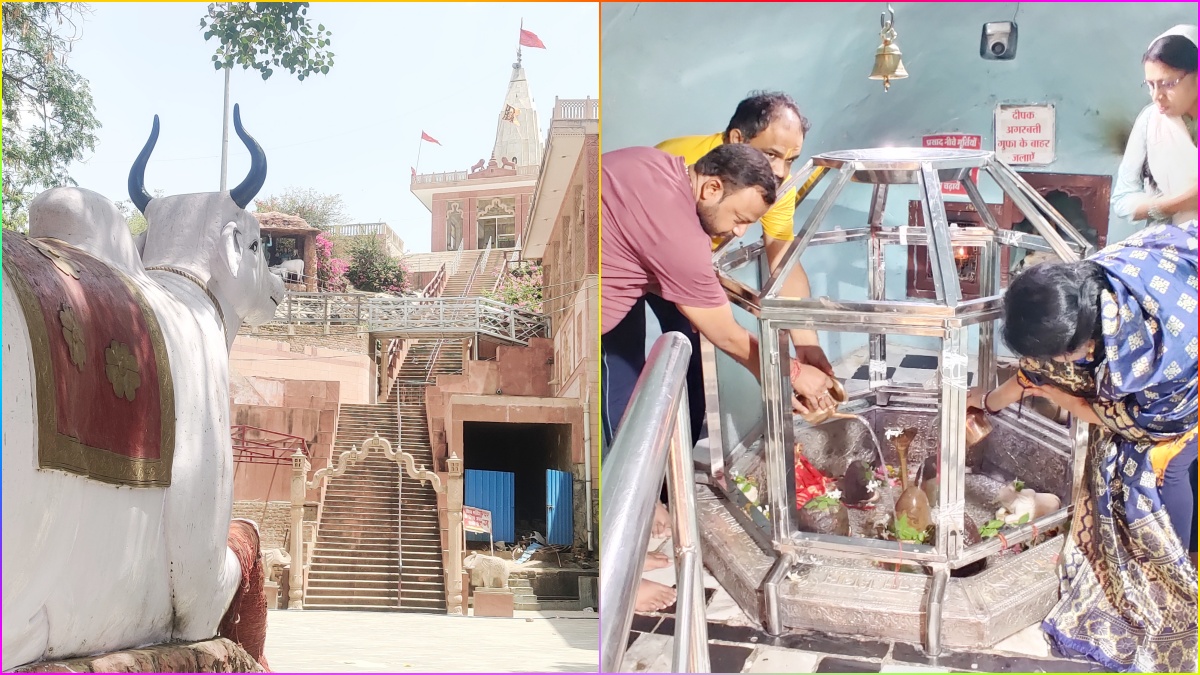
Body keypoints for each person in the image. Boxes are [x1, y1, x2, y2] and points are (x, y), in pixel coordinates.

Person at [602, 142, 835, 613]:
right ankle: (615, 583)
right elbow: (728, 337)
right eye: (739, 217)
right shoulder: (681, 238)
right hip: (585, 329)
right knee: (608, 443)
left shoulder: (655, 163)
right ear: (711, 187)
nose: (740, 231)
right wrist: (790, 374)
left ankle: (620, 547)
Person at [967, 220, 1198, 672]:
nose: (1055, 365)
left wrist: (1063, 399)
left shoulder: (1160, 349)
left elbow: (1139, 423)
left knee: (1162, 468)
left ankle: (1171, 576)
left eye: (1062, 356)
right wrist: (988, 403)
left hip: (1184, 395)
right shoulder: (1088, 285)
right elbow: (1038, 370)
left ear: (1087, 340)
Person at [654, 92, 833, 441]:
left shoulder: (773, 185)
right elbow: (725, 331)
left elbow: (781, 257)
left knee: (692, 372)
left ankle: (671, 483)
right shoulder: (677, 164)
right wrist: (789, 373)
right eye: (771, 154)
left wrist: (806, 344)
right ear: (738, 140)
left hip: (689, 268)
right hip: (627, 270)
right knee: (622, 368)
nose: (780, 171)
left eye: (791, 159)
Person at [1111, 25, 1198, 227]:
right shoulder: (1151, 120)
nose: (1157, 96)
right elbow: (1123, 200)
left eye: (1168, 84)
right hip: (1171, 244)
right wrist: (1179, 203)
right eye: (1150, 85)